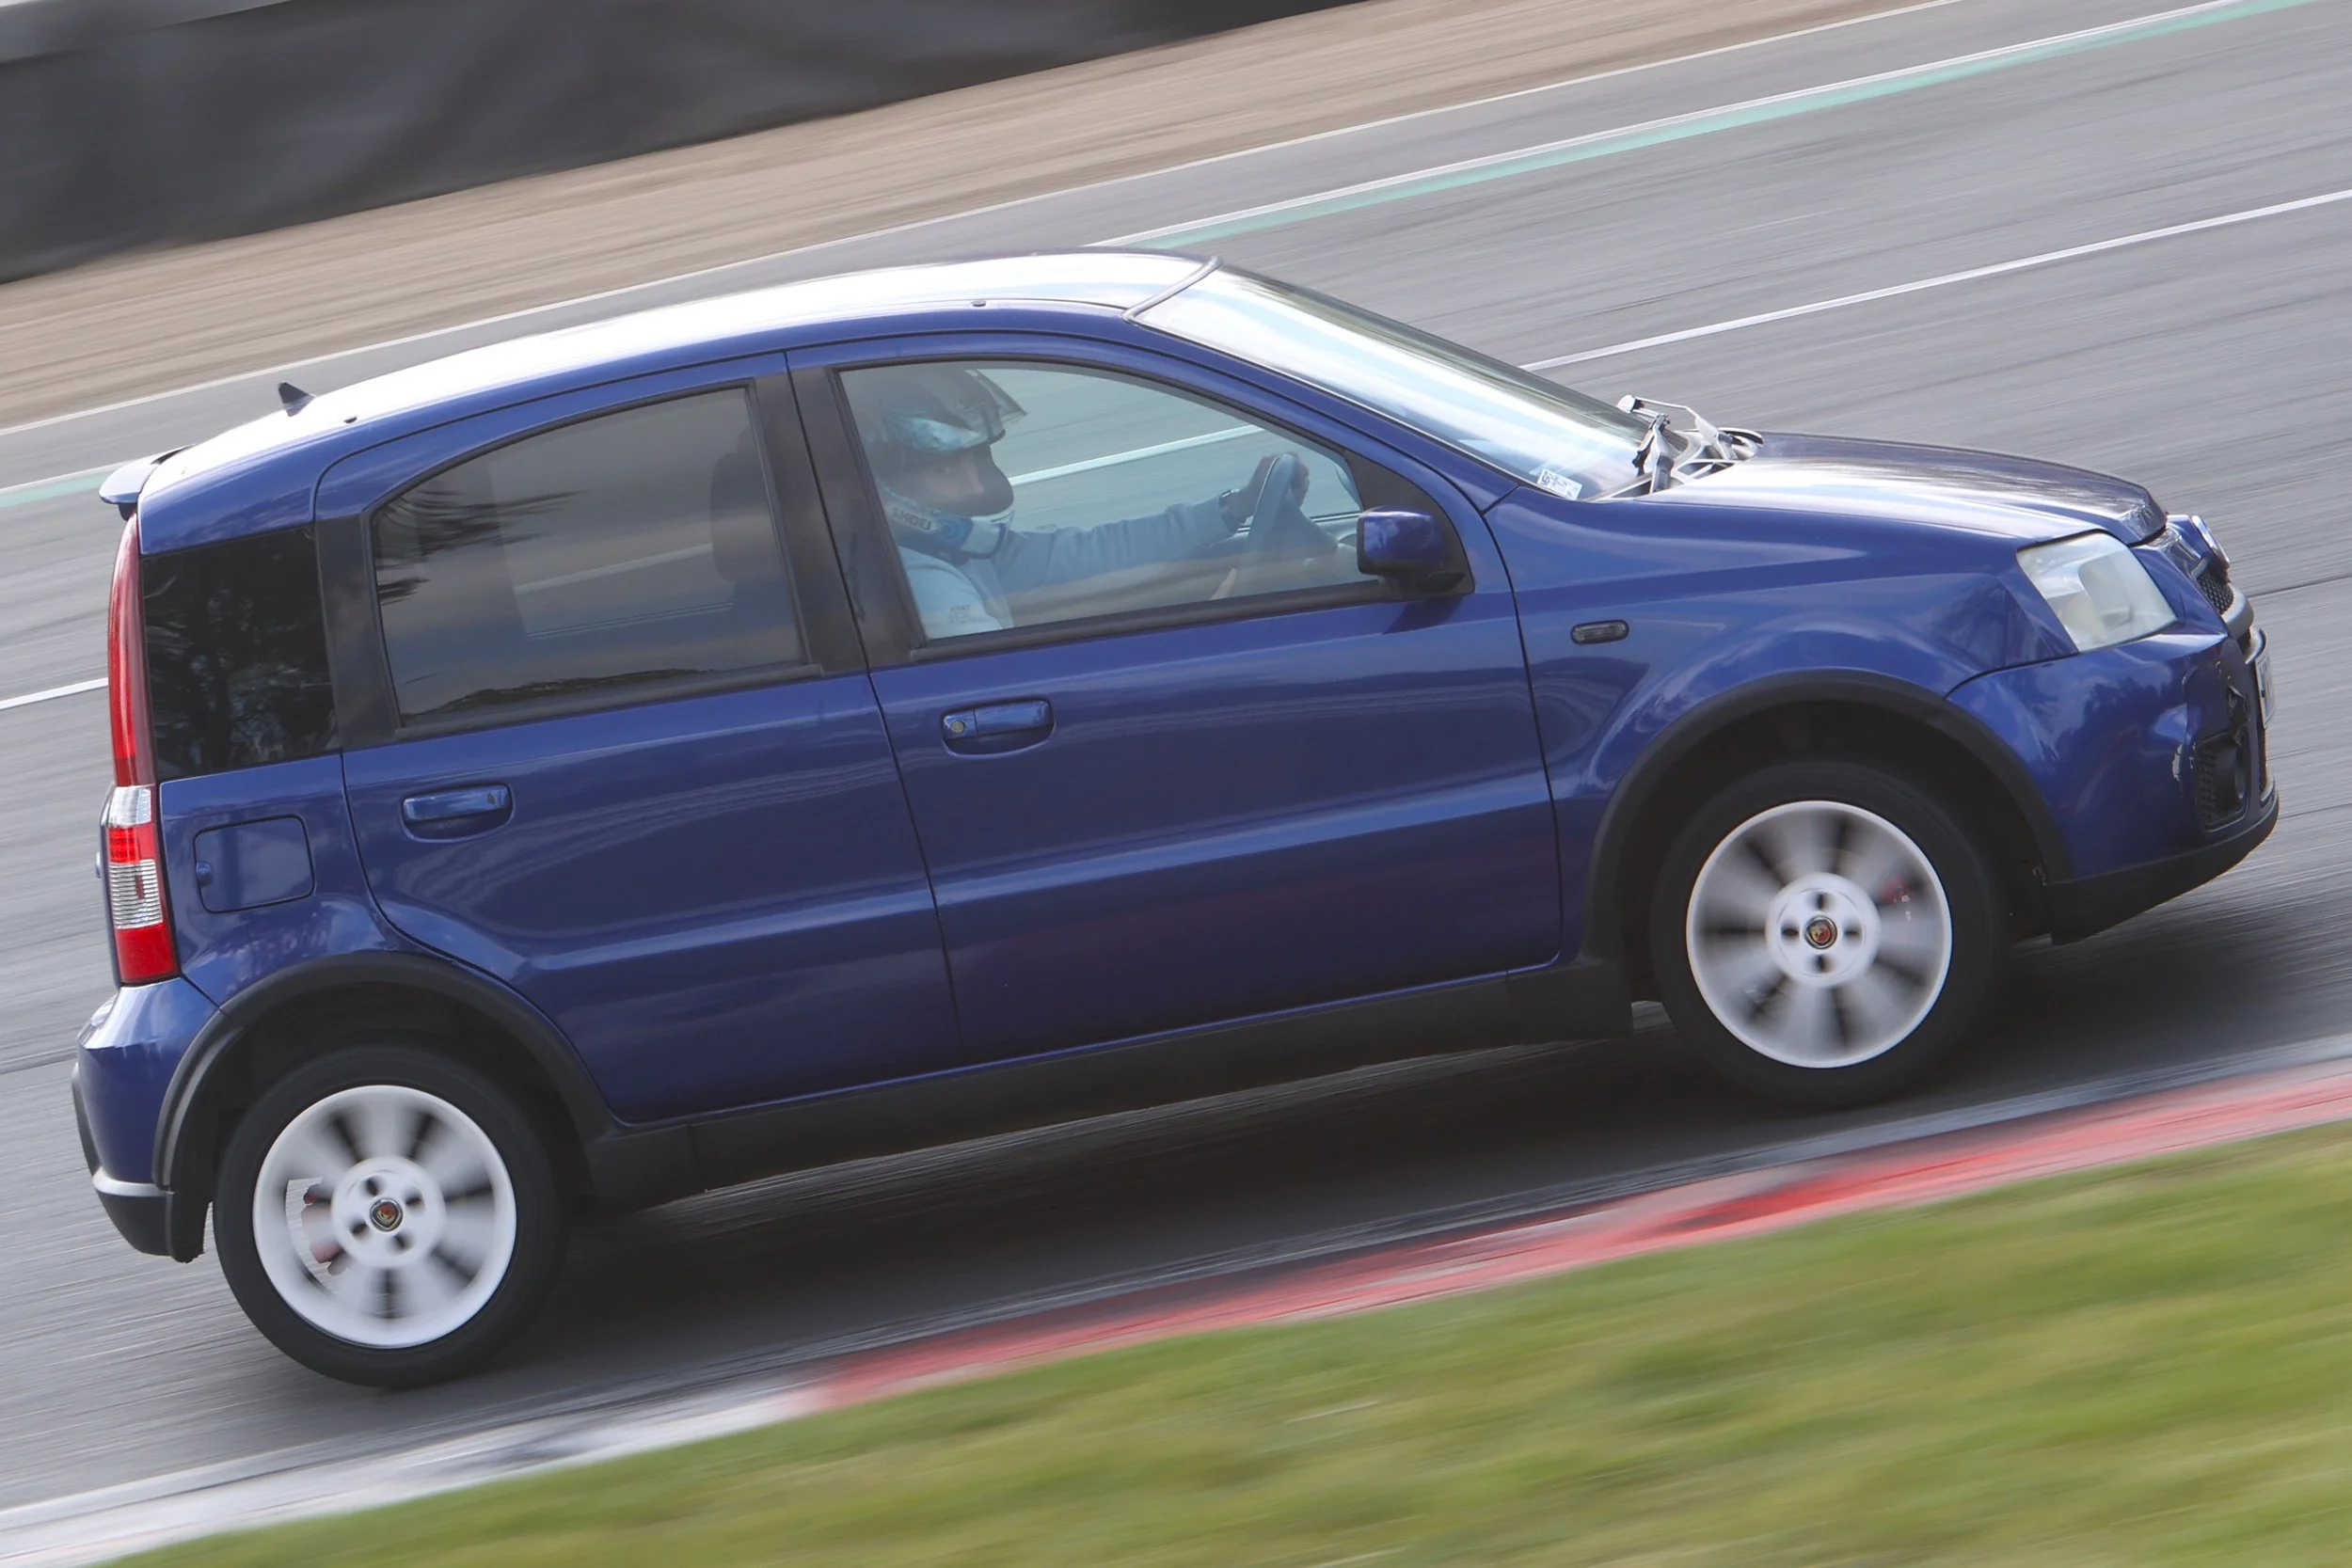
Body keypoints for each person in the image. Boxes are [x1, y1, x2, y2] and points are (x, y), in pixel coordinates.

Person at [846, 363, 1324, 638]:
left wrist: (1232, 508)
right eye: (944, 467)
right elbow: (999, 682)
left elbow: (1087, 552)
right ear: (880, 478)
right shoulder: (923, 583)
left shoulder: (959, 552)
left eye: (978, 457)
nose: (974, 484)